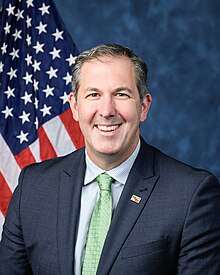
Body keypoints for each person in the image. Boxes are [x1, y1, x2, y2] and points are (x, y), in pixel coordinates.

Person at [0, 43, 220, 275]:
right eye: (94, 94)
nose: (106, 111)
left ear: (143, 106)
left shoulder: (191, 196)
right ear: (74, 106)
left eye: (121, 94)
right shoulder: (33, 186)